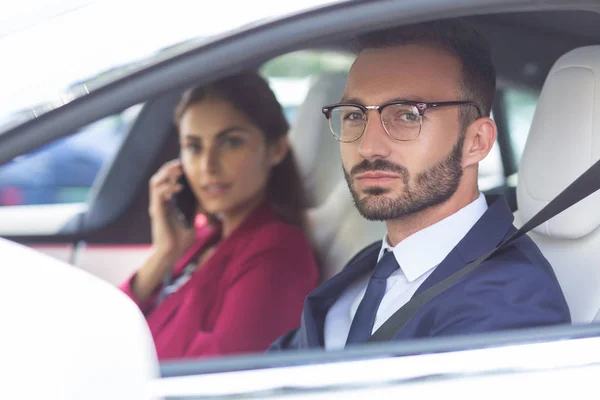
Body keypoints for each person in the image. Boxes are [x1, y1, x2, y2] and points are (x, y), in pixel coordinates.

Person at [269, 19, 570, 351]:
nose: (368, 147)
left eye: (408, 114)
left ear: (477, 141)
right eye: (355, 115)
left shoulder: (509, 303)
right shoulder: (372, 265)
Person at [119, 71, 319, 360]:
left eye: (230, 142)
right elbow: (112, 331)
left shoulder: (276, 255)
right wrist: (164, 253)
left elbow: (218, 381)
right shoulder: (205, 238)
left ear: (275, 150)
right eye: (193, 147)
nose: (207, 166)